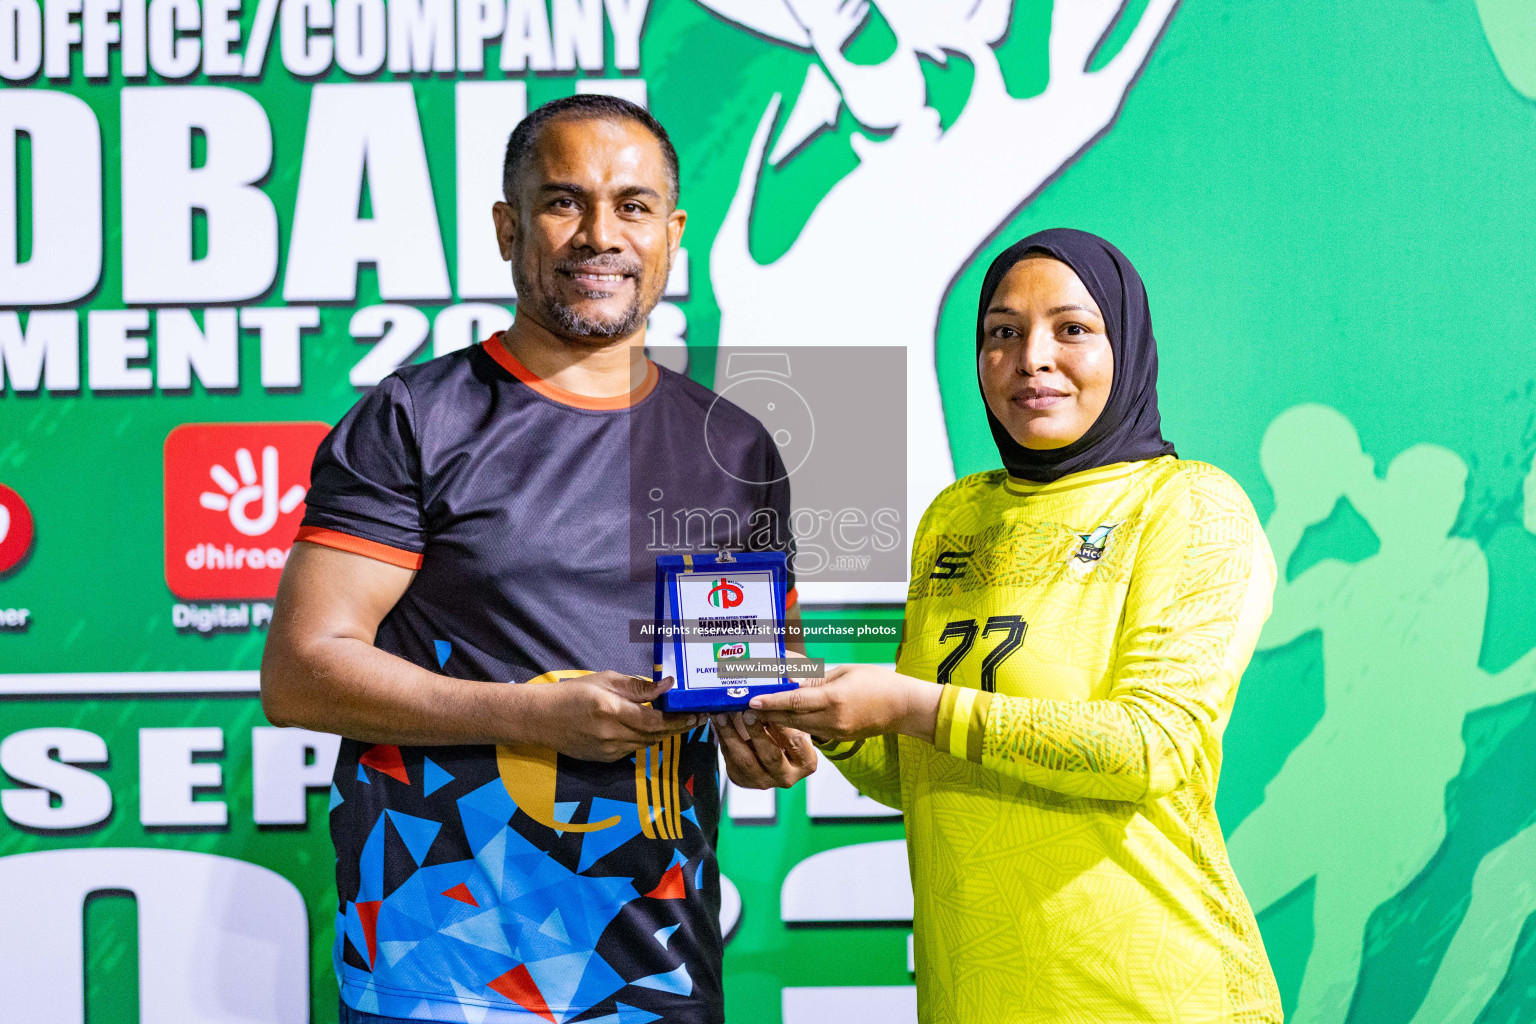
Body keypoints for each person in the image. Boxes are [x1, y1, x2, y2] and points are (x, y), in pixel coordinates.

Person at [260, 94, 815, 1024]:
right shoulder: (413, 419)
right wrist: (526, 715)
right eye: (565, 203)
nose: (601, 234)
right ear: (508, 229)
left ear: (673, 234)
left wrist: (758, 738)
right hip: (439, 968)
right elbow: (301, 674)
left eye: (633, 206)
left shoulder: (735, 445)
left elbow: (739, 677)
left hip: (654, 969)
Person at [752, 228, 1284, 1023]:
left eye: (1072, 329)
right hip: (974, 996)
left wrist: (904, 704)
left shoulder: (1187, 507)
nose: (1032, 357)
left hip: (1156, 998)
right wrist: (826, 714)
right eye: (1002, 332)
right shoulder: (956, 515)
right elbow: (921, 773)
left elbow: (1151, 748)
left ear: (1128, 346)